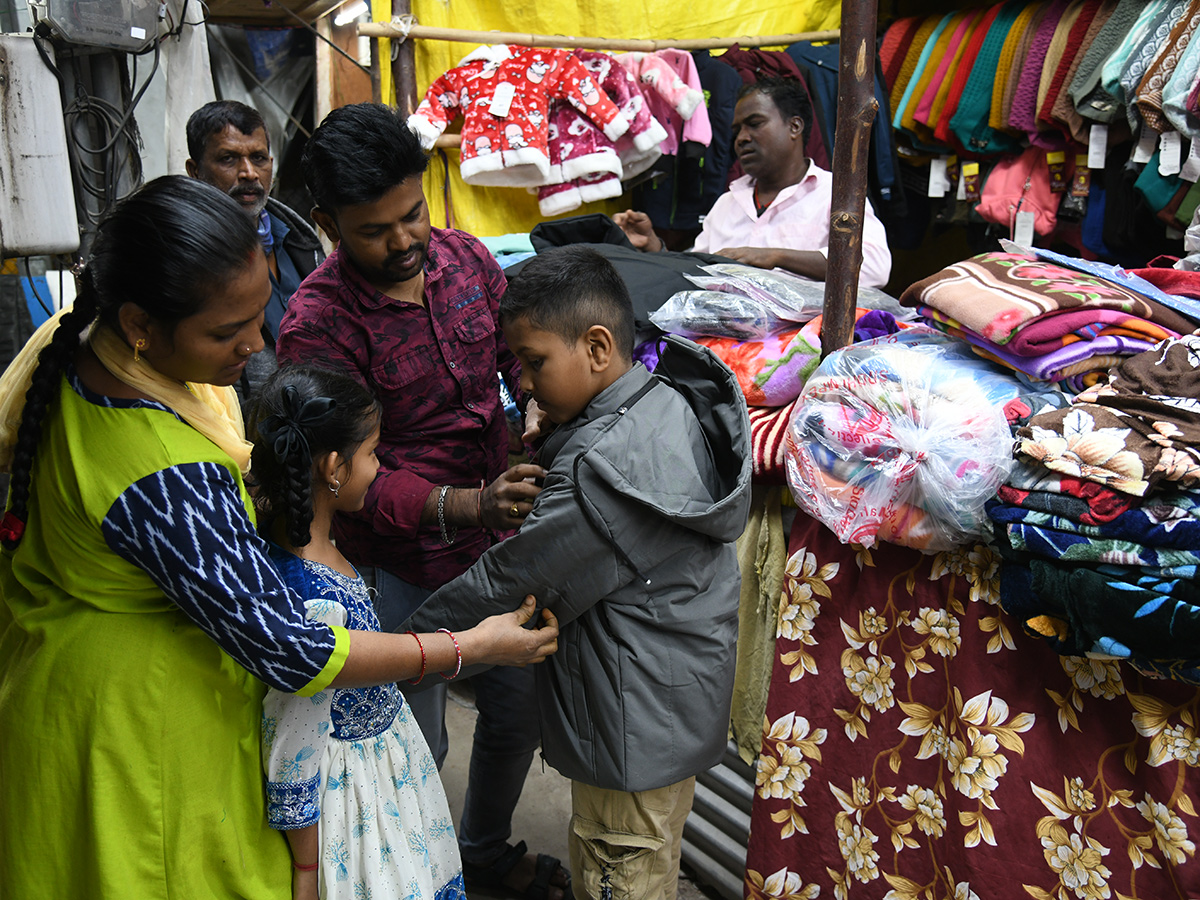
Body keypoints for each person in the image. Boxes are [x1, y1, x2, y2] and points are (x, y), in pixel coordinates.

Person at [0, 176, 558, 899]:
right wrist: (471, 647)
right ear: (140, 322)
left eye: (258, 314)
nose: (256, 345)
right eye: (225, 333)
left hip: (71, 678)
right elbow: (295, 653)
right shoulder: (164, 474)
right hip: (134, 731)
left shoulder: (88, 351)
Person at [276, 102, 571, 900]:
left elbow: (513, 354)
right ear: (327, 223)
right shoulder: (316, 325)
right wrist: (471, 504)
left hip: (500, 546)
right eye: (376, 230)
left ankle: (480, 851)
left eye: (414, 213)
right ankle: (412, 872)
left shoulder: (468, 260)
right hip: (396, 569)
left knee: (517, 714)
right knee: (413, 737)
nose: (406, 240)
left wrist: (533, 399)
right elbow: (347, 481)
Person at [412, 246, 753, 900]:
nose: (527, 386)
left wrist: (400, 653)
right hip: (666, 708)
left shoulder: (604, 472)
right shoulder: (661, 402)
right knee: (647, 858)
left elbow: (508, 586)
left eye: (535, 363)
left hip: (632, 732)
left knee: (619, 872)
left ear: (598, 348)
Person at [249, 364, 511, 900]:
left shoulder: (312, 548)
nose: (379, 466)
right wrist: (306, 871)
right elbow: (293, 743)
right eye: (371, 452)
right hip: (357, 803)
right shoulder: (308, 596)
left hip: (384, 773)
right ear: (332, 467)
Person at [614, 76, 893, 289]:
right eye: (737, 130)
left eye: (755, 123)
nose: (741, 138)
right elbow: (696, 273)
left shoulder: (834, 195)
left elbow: (875, 268)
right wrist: (654, 247)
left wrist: (775, 257)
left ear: (794, 127)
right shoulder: (727, 203)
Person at [186, 99, 325, 399]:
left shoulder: (298, 242)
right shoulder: (188, 261)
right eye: (228, 159)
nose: (248, 173)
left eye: (258, 158)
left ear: (271, 165)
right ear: (195, 171)